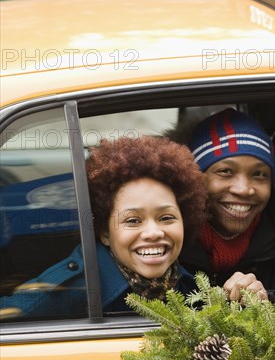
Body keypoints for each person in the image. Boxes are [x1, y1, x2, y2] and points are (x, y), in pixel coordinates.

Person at [0, 136, 207, 317]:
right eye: (133, 220)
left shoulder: (194, 286)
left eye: (166, 217)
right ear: (105, 232)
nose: (153, 232)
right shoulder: (73, 290)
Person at [179, 107, 275, 304]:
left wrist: (267, 301)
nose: (244, 189)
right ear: (195, 180)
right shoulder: (164, 239)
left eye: (259, 174)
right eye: (225, 171)